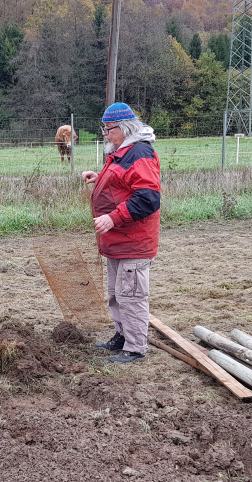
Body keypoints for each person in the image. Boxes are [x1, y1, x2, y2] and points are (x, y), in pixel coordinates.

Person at [81, 102, 161, 363]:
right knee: (117, 295)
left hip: (133, 240)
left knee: (132, 297)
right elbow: (122, 182)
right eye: (103, 129)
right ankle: (122, 335)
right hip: (117, 241)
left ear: (125, 128)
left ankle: (136, 347)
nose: (105, 134)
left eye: (108, 129)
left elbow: (148, 198)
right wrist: (99, 176)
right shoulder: (122, 151)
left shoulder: (140, 153)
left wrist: (114, 218)